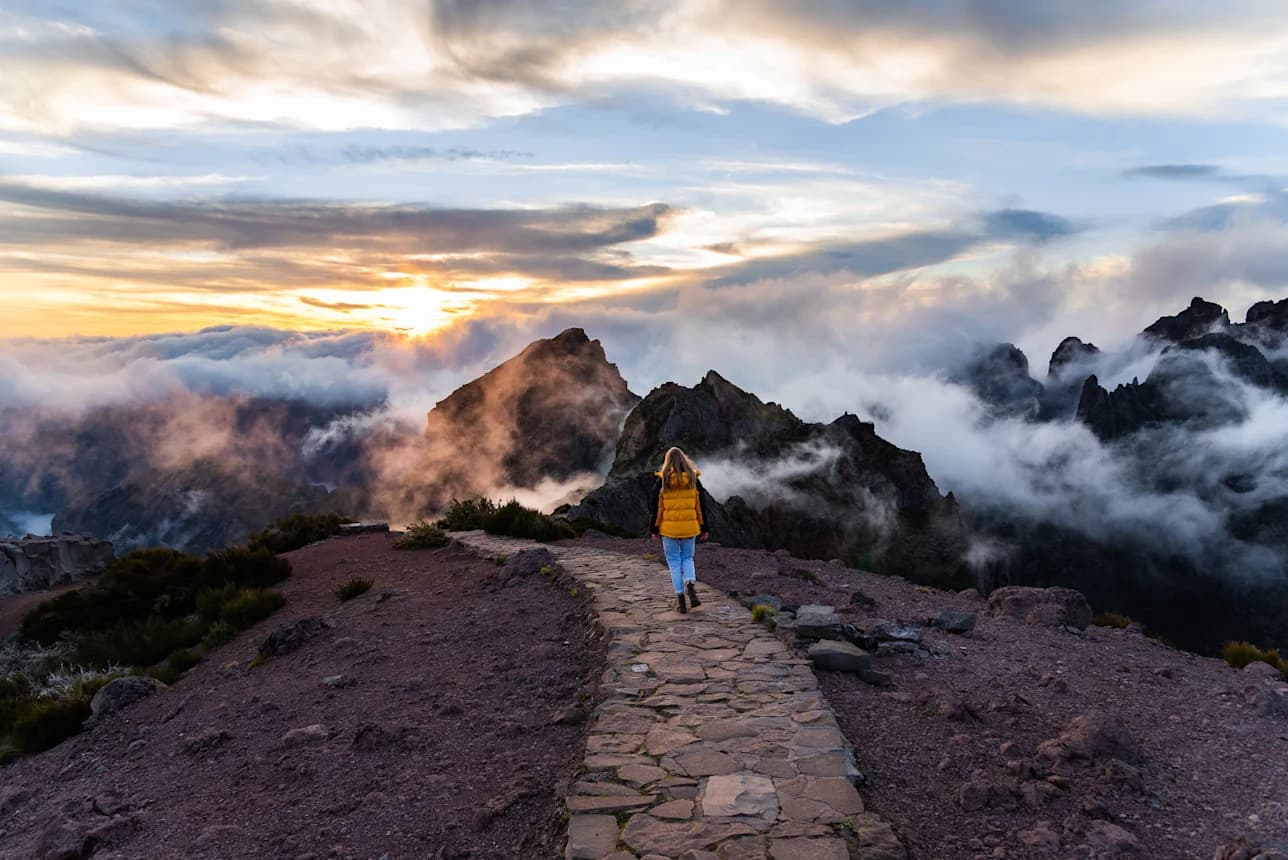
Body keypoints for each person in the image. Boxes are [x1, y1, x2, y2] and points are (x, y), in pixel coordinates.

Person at [649, 446, 709, 613]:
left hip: (669, 530)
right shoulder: (693, 480)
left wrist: (654, 529)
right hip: (690, 528)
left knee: (674, 563)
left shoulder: (662, 481)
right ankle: (690, 583)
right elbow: (701, 507)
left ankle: (681, 601)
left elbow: (656, 507)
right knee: (688, 558)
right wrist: (704, 528)